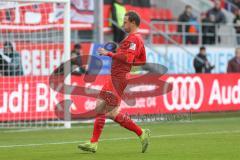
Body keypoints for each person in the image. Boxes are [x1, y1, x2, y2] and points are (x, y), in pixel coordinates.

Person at [78, 11, 150, 153]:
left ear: (133, 23)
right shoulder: (135, 39)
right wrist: (129, 65)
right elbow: (142, 60)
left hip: (118, 78)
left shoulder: (133, 39)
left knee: (102, 107)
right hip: (116, 77)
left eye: (126, 22)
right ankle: (141, 133)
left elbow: (128, 59)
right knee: (110, 112)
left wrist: (109, 53)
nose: (123, 24)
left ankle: (94, 143)